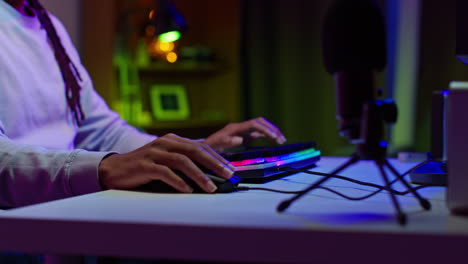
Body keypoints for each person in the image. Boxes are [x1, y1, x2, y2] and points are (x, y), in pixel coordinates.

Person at [0, 0, 286, 208]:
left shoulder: (48, 25)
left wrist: (192, 151)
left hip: (59, 210)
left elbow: (103, 132)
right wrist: (104, 168)